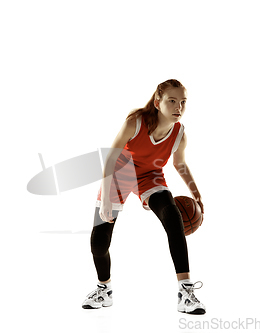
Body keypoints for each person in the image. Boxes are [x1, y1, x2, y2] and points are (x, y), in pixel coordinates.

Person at [81, 79, 206, 314]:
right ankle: (104, 289)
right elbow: (110, 157)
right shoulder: (136, 122)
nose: (178, 107)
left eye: (183, 102)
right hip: (120, 172)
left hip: (150, 176)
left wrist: (196, 195)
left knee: (172, 215)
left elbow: (180, 164)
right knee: (99, 240)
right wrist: (107, 198)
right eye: (172, 101)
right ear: (158, 103)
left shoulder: (179, 133)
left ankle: (186, 292)